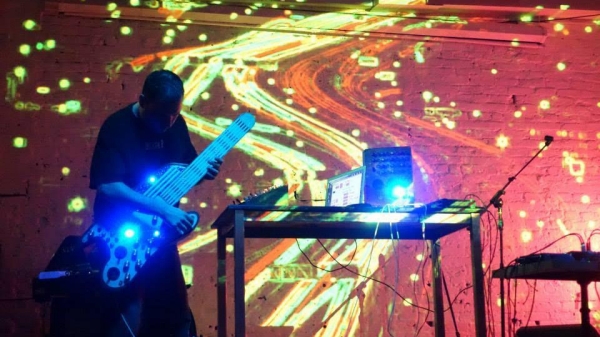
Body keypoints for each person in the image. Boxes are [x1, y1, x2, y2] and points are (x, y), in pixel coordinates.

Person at [88, 69, 221, 337]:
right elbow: (109, 185)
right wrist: (162, 208)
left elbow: (183, 174)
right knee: (120, 319)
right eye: (162, 115)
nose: (169, 121)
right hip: (117, 235)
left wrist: (203, 173)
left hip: (157, 235)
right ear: (142, 100)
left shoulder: (176, 124)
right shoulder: (117, 127)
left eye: (175, 113)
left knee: (174, 315)